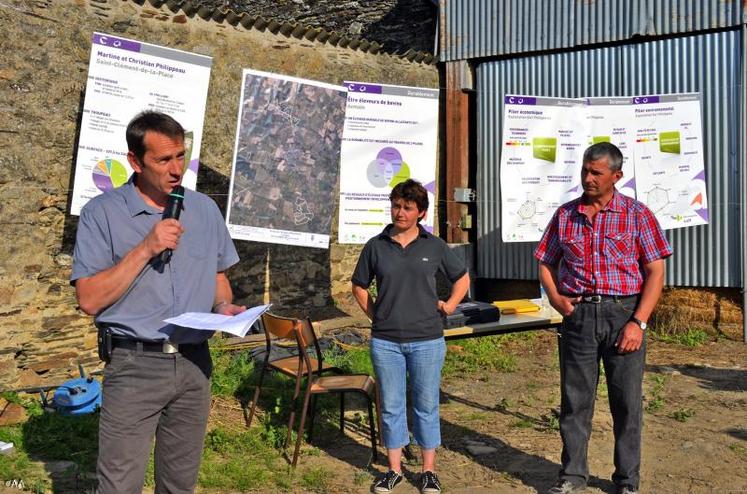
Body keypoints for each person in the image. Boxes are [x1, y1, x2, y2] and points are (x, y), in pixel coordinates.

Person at [71, 111, 245, 494]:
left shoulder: (204, 209)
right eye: (163, 160)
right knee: (120, 485)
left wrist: (223, 308)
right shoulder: (101, 214)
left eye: (180, 156)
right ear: (135, 161)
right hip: (135, 364)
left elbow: (219, 278)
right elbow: (88, 299)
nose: (176, 169)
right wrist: (147, 247)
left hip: (195, 363)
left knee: (180, 484)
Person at [534, 142, 672, 494]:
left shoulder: (637, 214)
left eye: (596, 172)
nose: (588, 178)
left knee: (626, 402)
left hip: (622, 313)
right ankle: (572, 476)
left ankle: (627, 481)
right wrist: (556, 298)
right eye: (585, 170)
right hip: (578, 316)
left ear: (617, 176)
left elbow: (656, 271)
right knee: (575, 401)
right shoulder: (566, 215)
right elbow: (545, 261)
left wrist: (638, 322)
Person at [351, 179, 470, 494]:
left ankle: (428, 471)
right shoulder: (376, 246)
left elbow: (461, 278)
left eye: (407, 207)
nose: (399, 212)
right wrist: (376, 315)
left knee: (426, 405)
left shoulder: (435, 246)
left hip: (427, 340)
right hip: (386, 342)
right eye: (395, 205)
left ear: (421, 212)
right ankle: (394, 470)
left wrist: (450, 305)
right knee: (391, 405)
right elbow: (359, 286)